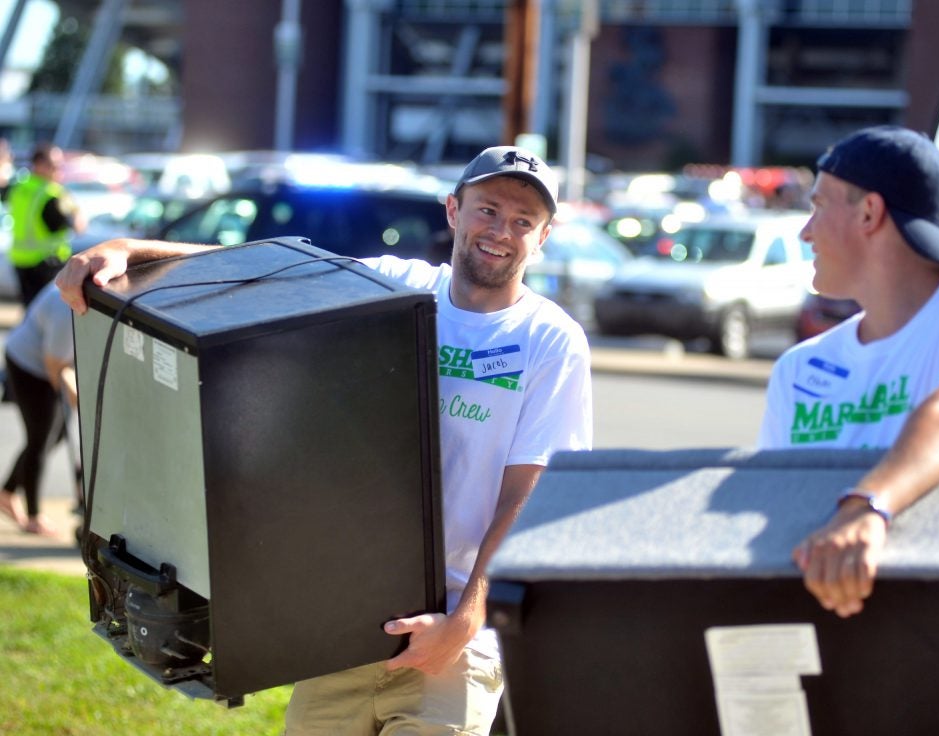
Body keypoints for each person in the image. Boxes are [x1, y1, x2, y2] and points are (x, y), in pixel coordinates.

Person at [55, 145, 594, 735]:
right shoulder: (394, 285)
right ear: (453, 210)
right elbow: (270, 272)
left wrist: (462, 625)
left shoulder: (549, 341)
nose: (501, 232)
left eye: (523, 222)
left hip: (454, 644)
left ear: (542, 237)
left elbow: (529, 494)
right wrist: (127, 250)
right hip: (350, 625)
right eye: (488, 210)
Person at [757, 125, 939, 618]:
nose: (804, 231)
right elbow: (773, 509)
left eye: (817, 206)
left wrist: (866, 507)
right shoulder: (798, 368)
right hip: (830, 641)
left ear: (869, 213)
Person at [0, 282, 79, 536]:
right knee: (41, 439)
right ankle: (33, 516)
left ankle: (7, 492)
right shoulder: (66, 306)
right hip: (28, 366)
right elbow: (54, 362)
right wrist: (68, 394)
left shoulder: (76, 290)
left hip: (49, 361)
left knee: (56, 435)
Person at [6, 142, 86, 307]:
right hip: (46, 261)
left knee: (29, 310)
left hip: (19, 259)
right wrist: (76, 210)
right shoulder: (52, 194)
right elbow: (77, 227)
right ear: (39, 165)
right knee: (47, 312)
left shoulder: (19, 187)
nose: (58, 170)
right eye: (54, 165)